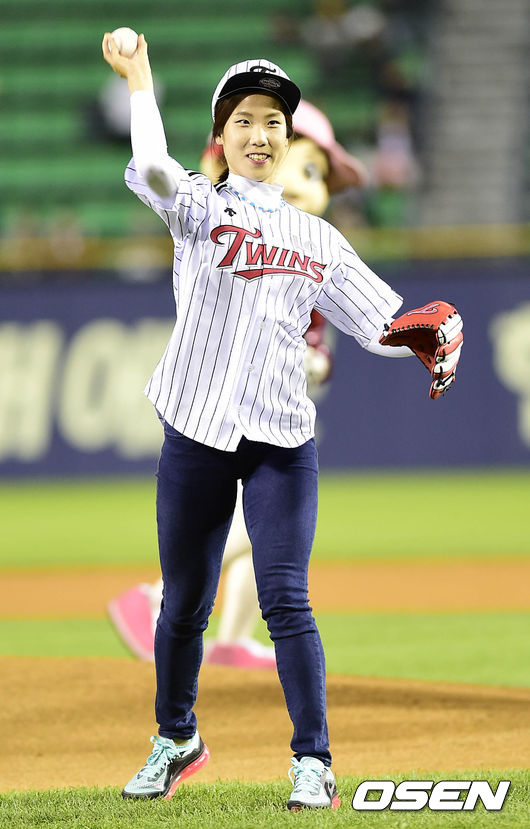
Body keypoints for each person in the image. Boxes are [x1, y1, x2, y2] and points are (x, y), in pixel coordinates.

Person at [101, 34, 460, 811]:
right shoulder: (198, 206)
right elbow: (154, 167)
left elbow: (381, 325)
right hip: (196, 431)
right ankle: (176, 737)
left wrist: (426, 333)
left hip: (280, 443)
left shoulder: (318, 238)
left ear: (288, 137)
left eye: (273, 122)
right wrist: (139, 77)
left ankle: (313, 759)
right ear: (221, 136)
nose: (261, 135)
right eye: (245, 120)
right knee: (184, 603)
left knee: (286, 598)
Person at [107, 98, 365, 670]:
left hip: (276, 409)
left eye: (318, 175)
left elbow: (320, 339)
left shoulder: (308, 246)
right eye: (305, 165)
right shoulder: (236, 225)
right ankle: (154, 595)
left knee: (264, 526)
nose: (313, 186)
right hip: (230, 410)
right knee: (257, 520)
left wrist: (316, 360)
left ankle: (231, 638)